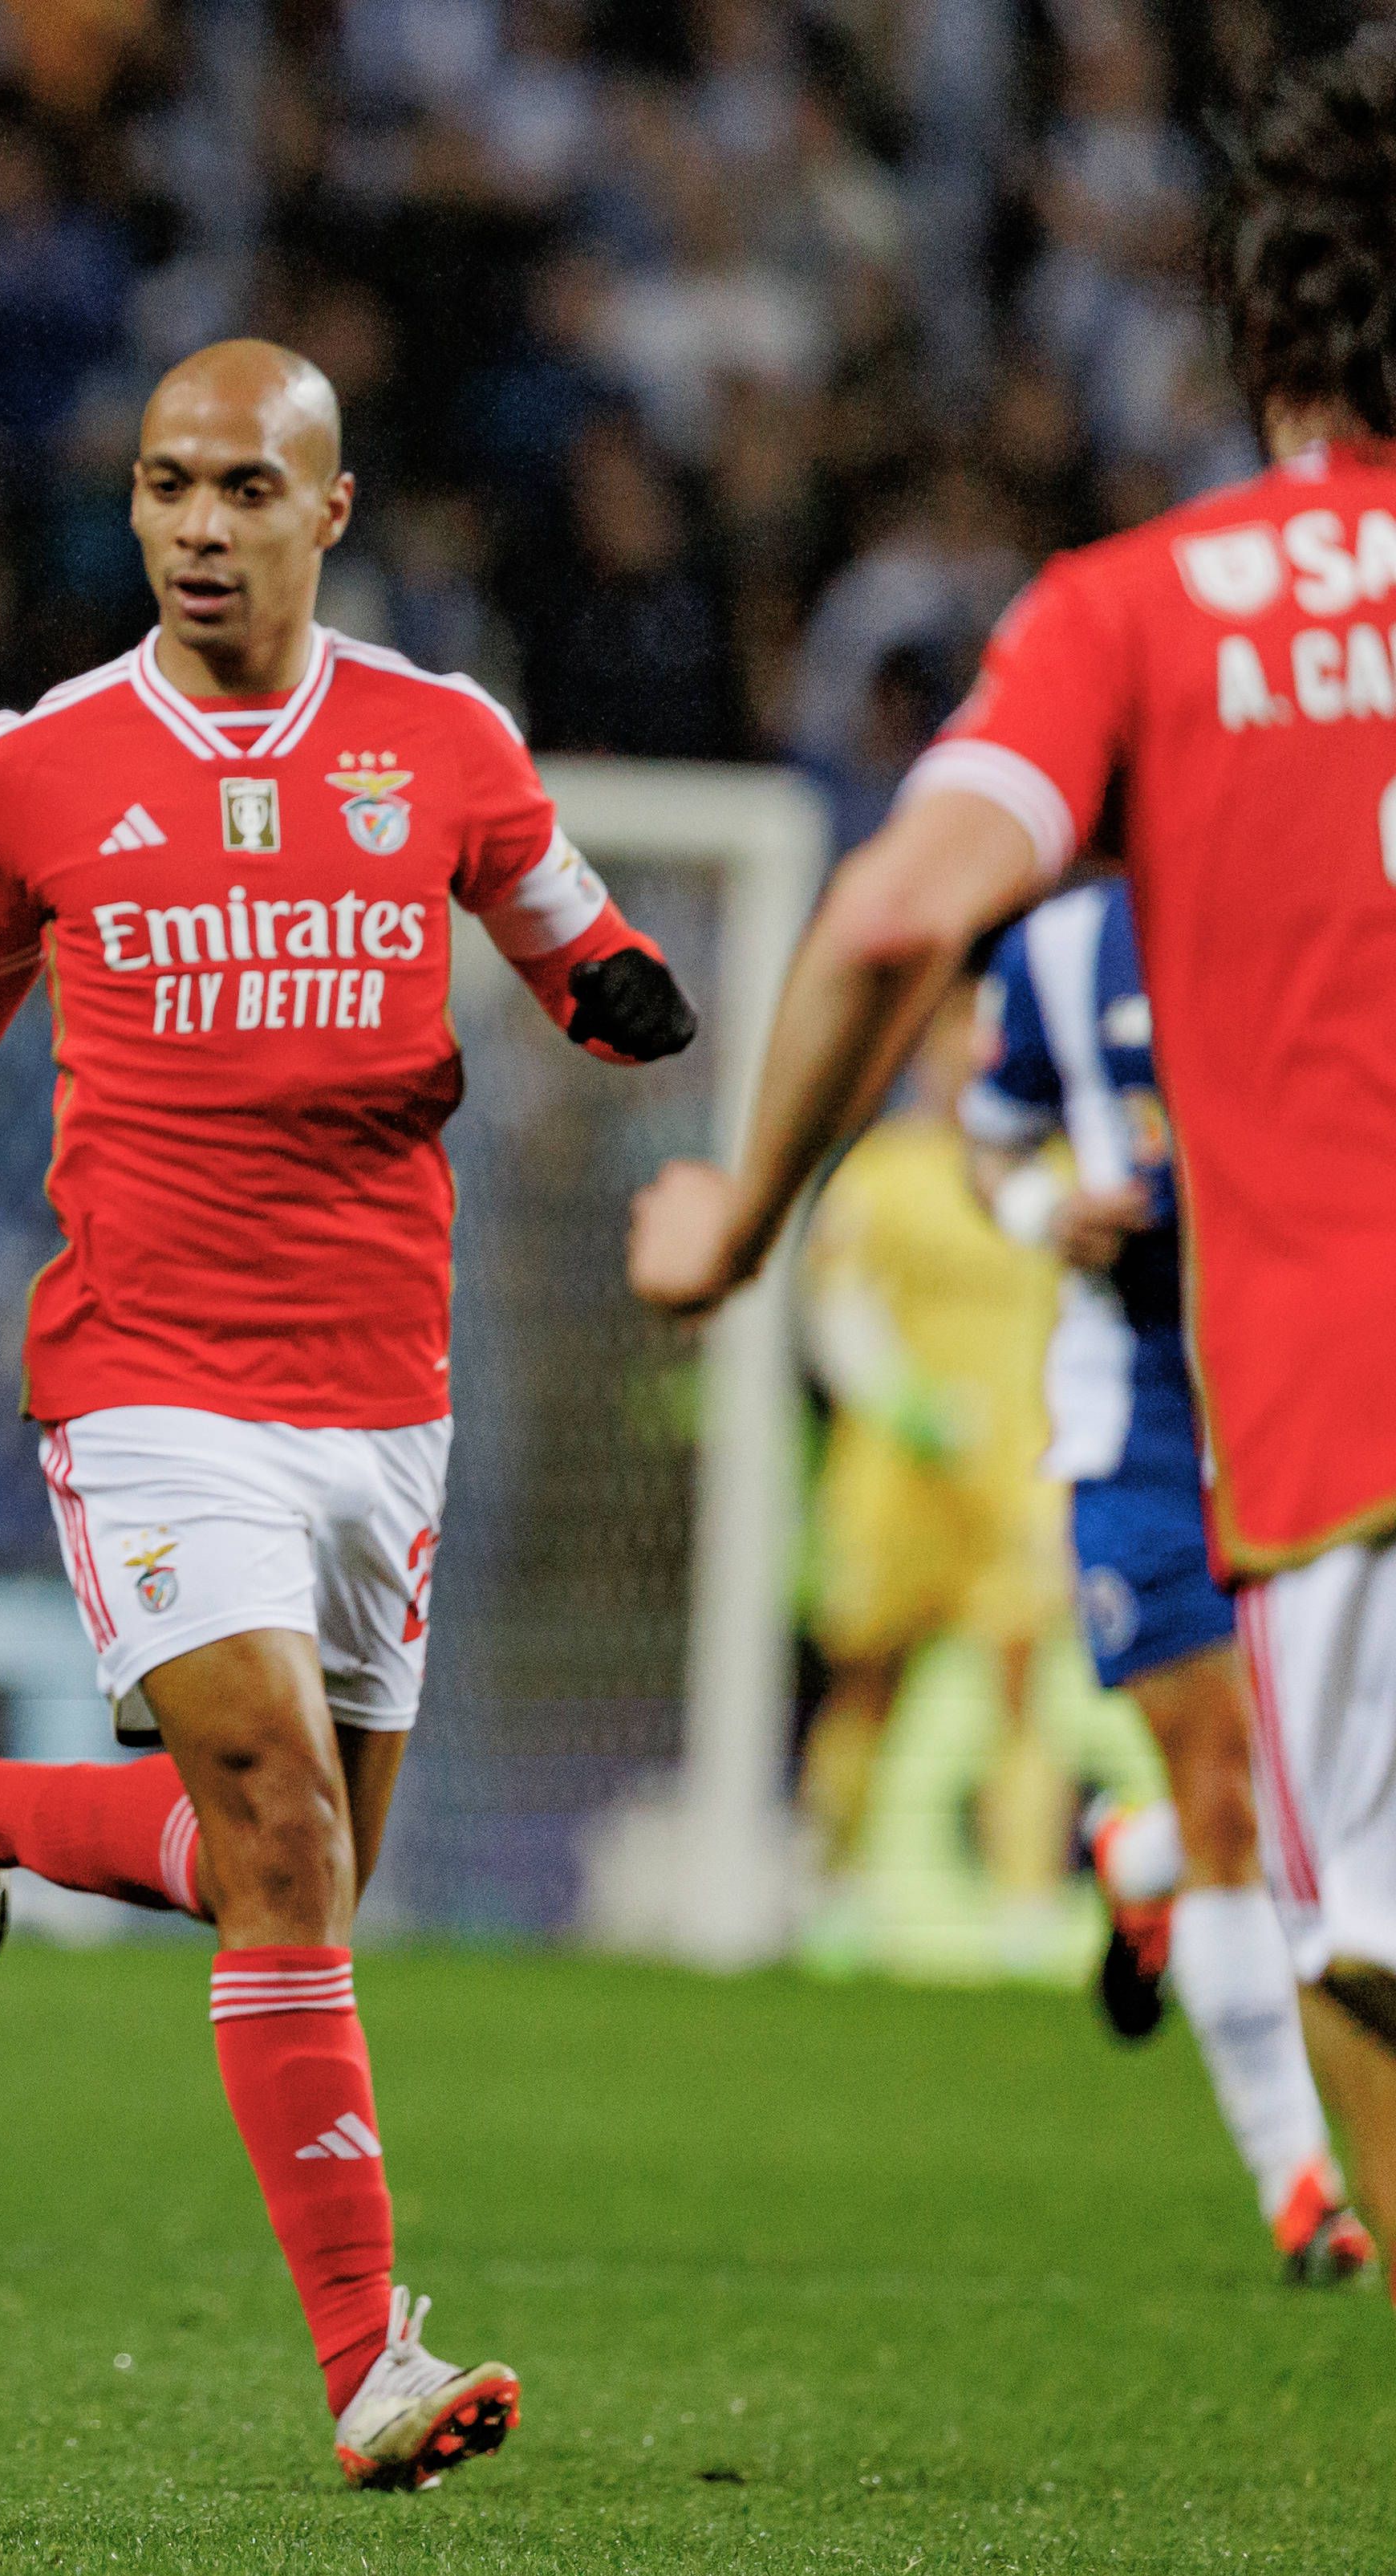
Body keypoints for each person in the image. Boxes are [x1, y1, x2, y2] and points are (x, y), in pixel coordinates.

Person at [0, 342, 701, 2489]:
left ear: (326, 512)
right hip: (152, 1370)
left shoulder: (442, 743)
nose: (193, 522)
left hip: (387, 1384)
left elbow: (558, 924)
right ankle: (369, 2361)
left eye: (242, 486)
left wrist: (615, 981)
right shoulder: (50, 763)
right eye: (166, 481)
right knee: (275, 1828)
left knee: (299, 1879)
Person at [628, 35, 1396, 2305]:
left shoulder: (1140, 612)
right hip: (1256, 1394)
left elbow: (888, 912)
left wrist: (744, 1214)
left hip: (1341, 1405)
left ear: (1255, 332)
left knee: (1368, 1940)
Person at [966, 876, 1371, 2285]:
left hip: (1315, 1403)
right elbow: (988, 1139)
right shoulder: (1063, 950)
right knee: (1232, 1799)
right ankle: (1300, 2185)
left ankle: (1132, 1857)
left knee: (1291, 1792)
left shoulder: (1332, 900)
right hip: (1139, 1422)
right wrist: (1039, 1209)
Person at [791, 989, 1068, 1932]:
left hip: (1017, 1478)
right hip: (894, 1480)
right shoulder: (881, 1174)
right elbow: (835, 1310)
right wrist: (904, 1403)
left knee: (1023, 1683)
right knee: (869, 1677)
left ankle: (1025, 1901)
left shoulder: (1053, 1179)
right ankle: (832, 1886)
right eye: (957, 1047)